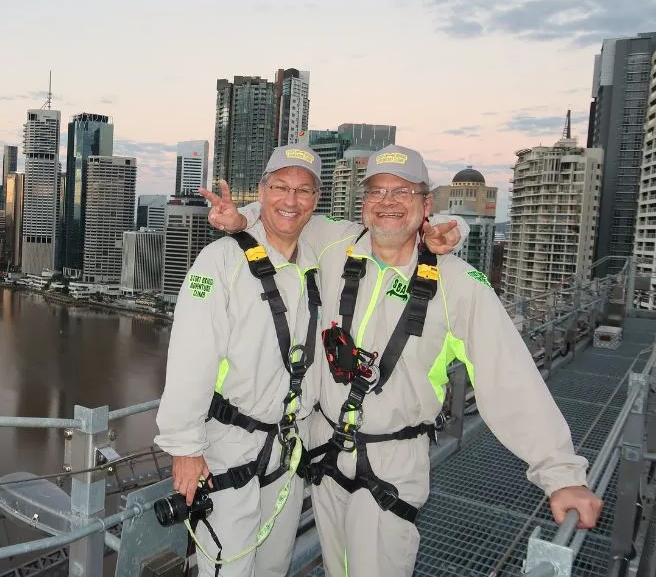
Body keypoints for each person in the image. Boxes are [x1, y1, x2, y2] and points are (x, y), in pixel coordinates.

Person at [210, 144, 603, 576]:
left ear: (425, 203)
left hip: (391, 464)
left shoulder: (458, 284)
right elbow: (286, 210)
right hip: (323, 455)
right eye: (377, 192)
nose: (388, 203)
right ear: (363, 202)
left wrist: (560, 472)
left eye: (403, 192)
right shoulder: (334, 244)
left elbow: (507, 376)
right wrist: (240, 218)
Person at [154, 143, 466, 577]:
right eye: (280, 187)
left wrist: (455, 228)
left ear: (316, 200)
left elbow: (392, 226)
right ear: (261, 191)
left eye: (304, 190)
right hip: (228, 450)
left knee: (274, 566)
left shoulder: (322, 251)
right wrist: (184, 447)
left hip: (289, 452)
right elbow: (190, 357)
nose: (290, 199)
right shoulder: (219, 261)